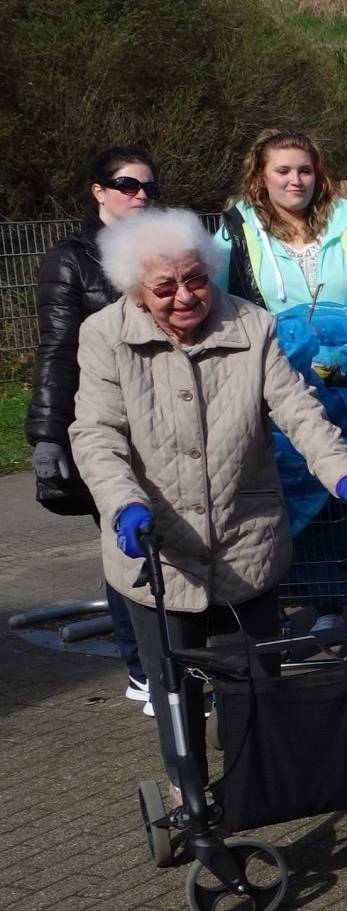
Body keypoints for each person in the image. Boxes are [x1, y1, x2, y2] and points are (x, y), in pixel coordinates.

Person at [69, 209, 347, 791]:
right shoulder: (104, 336)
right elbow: (96, 434)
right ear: (135, 287)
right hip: (157, 551)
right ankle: (188, 791)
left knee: (254, 678)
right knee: (175, 690)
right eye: (165, 287)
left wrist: (344, 475)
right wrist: (123, 505)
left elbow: (299, 413)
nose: (186, 296)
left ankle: (253, 785)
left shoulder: (251, 325)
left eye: (196, 279)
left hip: (248, 542)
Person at [29, 145, 156, 704]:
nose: (141, 196)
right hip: (100, 418)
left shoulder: (162, 247)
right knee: (123, 542)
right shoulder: (72, 259)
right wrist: (46, 434)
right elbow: (56, 348)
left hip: (163, 413)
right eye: (127, 185)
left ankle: (172, 658)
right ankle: (141, 669)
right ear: (98, 192)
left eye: (149, 186)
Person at [214, 129, 347, 313]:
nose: (296, 180)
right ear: (262, 178)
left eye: (305, 171)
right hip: (270, 342)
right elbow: (210, 301)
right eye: (283, 171)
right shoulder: (237, 232)